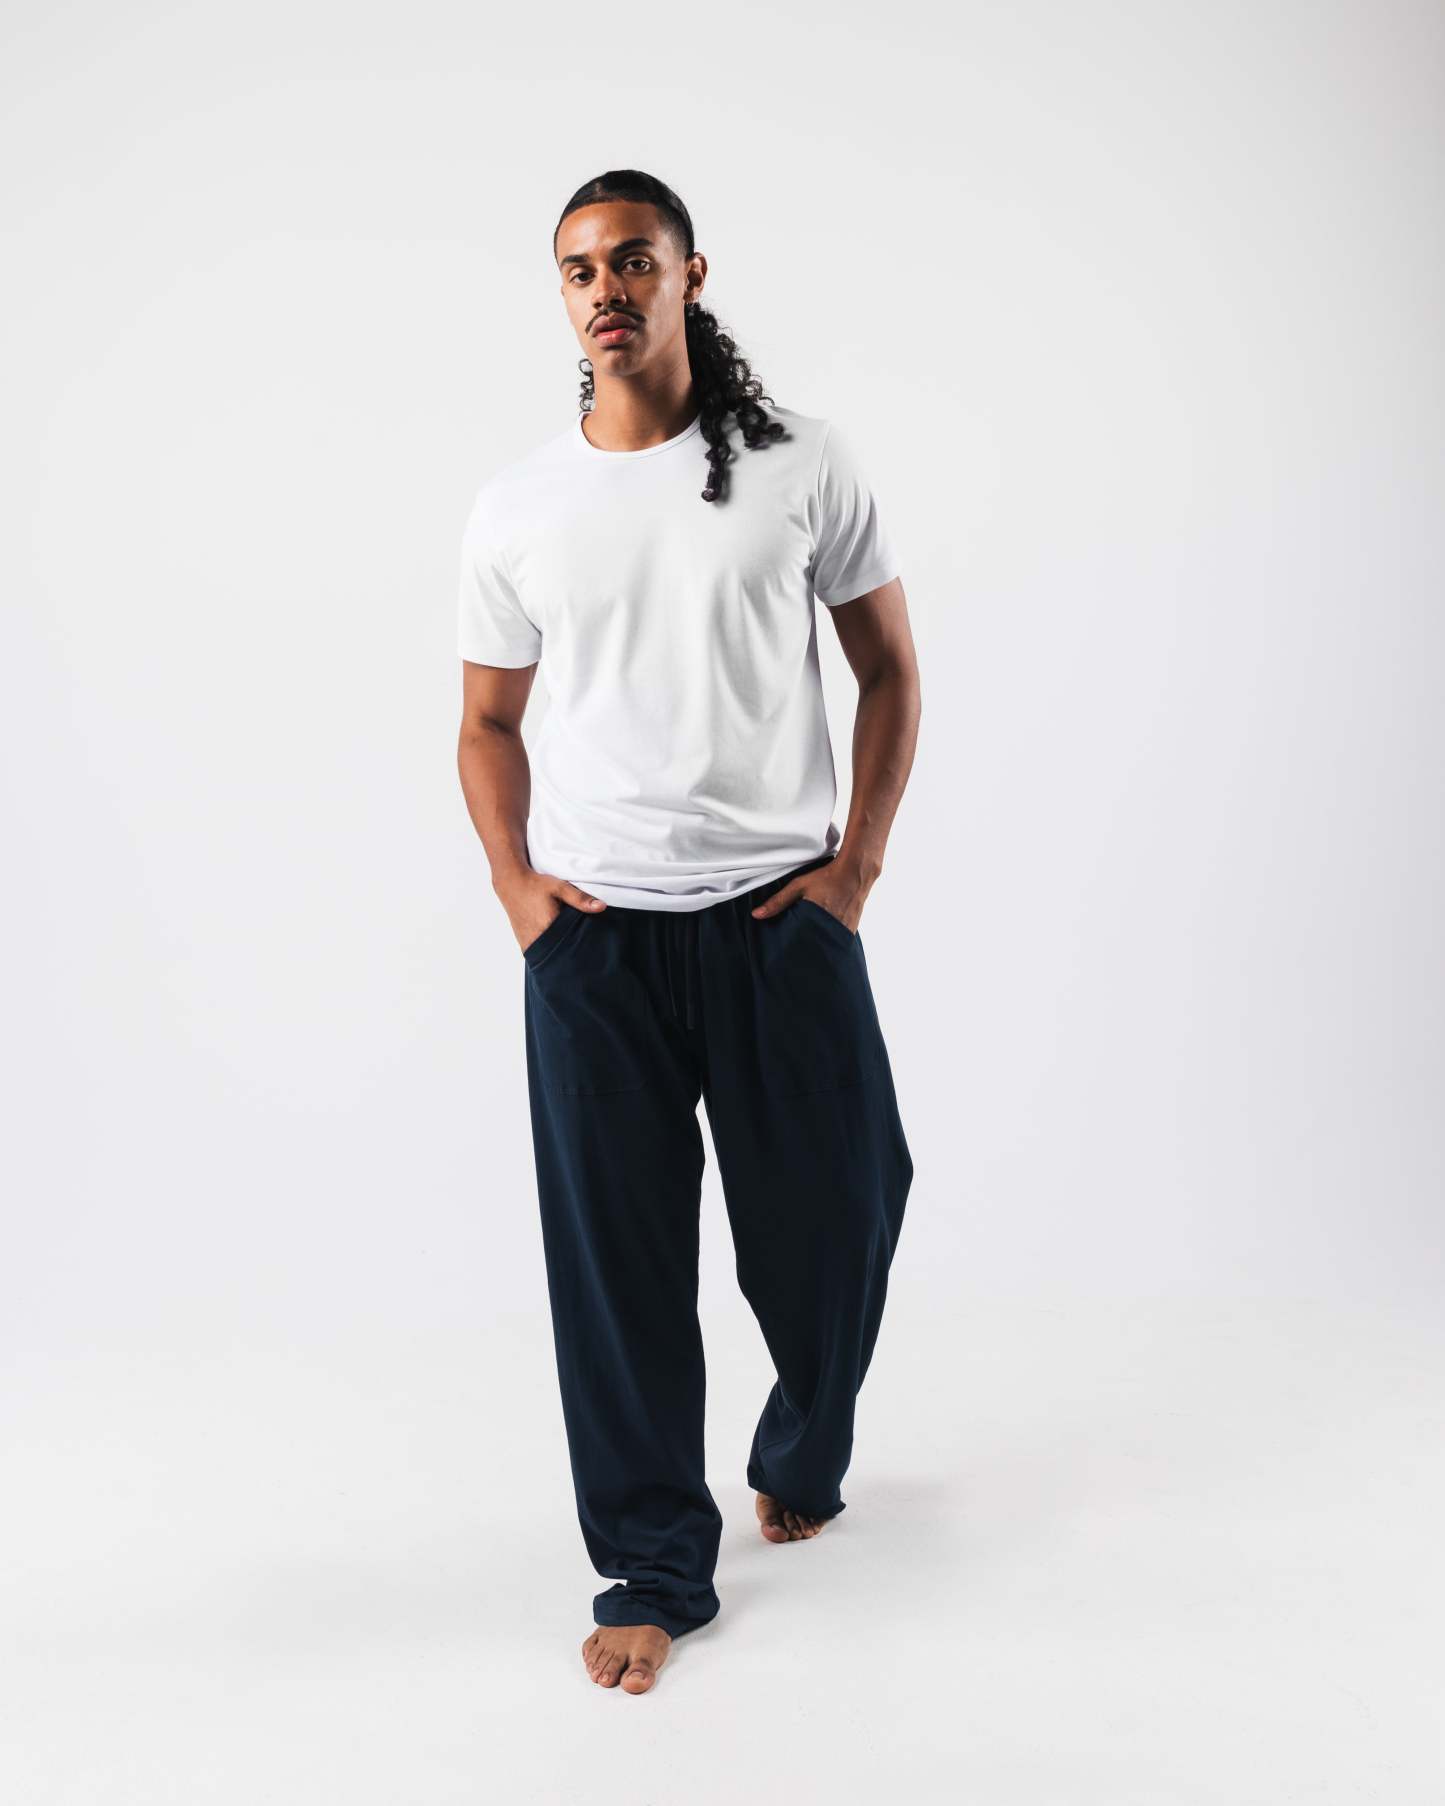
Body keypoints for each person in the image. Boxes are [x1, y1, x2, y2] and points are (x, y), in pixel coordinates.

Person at [455, 169, 921, 1695]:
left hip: (778, 921)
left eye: (633, 260)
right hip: (596, 944)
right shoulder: (519, 504)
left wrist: (852, 873)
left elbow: (888, 670)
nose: (606, 288)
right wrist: (522, 895)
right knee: (621, 1272)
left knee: (846, 1213)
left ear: (688, 275)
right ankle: (655, 1565)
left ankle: (801, 1443)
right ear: (564, 294)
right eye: (579, 268)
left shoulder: (800, 463)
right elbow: (484, 722)